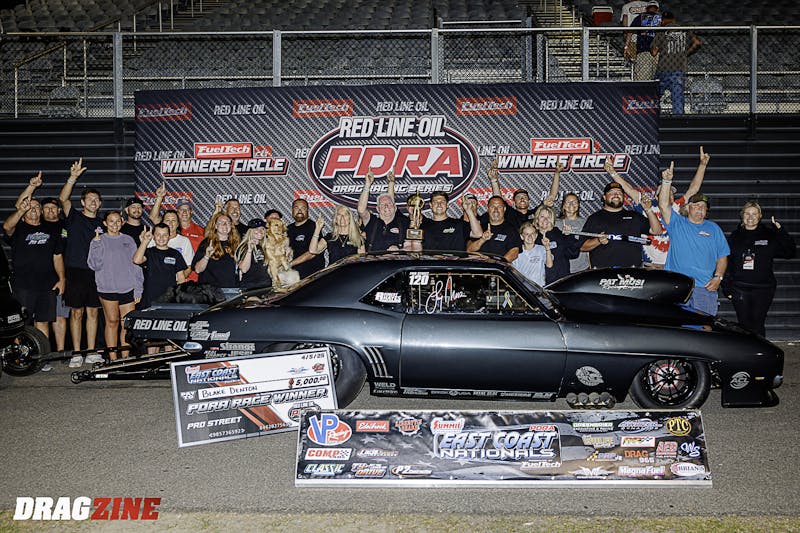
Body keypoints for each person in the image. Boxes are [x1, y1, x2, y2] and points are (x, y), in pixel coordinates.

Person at [605, 146, 710, 268]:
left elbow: (693, 189)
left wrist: (702, 165)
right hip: (649, 265)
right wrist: (613, 172)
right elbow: (629, 189)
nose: (670, 196)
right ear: (656, 196)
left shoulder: (677, 207)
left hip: (673, 265)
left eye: (672, 193)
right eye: (666, 193)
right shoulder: (647, 205)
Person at [3, 193, 65, 371]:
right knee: (21, 324)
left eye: (37, 207)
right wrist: (20, 210)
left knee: (43, 322)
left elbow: (57, 256)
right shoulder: (19, 229)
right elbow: (7, 226)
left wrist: (62, 279)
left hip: (47, 285)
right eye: (30, 207)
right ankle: (19, 356)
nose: (34, 209)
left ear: (41, 211)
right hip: (23, 286)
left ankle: (43, 358)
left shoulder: (50, 230)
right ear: (24, 212)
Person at [658, 162, 729, 316]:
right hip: (677, 286)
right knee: (675, 326)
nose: (700, 208)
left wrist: (718, 277)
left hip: (704, 288)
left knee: (704, 327)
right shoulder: (676, 223)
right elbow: (663, 205)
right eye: (696, 205)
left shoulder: (714, 228)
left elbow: (722, 257)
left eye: (703, 206)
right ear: (687, 207)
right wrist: (666, 182)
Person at [58, 159, 105, 367]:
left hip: (96, 273)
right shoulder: (74, 217)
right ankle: (77, 353)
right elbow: (63, 198)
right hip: (76, 272)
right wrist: (73, 177)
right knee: (77, 313)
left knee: (93, 312)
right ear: (83, 202)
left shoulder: (104, 223)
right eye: (89, 199)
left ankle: (91, 351)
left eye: (96, 199)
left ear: (100, 204)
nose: (93, 202)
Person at [725, 201, 796, 336]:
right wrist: (726, 288)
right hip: (739, 288)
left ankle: (759, 350)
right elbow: (728, 263)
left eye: (754, 214)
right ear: (742, 215)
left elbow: (789, 252)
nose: (750, 217)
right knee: (744, 326)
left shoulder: (769, 235)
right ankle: (745, 350)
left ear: (760, 216)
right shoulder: (735, 237)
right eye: (747, 213)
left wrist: (780, 231)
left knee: (758, 325)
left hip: (763, 289)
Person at [87, 212, 143, 360]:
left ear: (122, 222)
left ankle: (125, 358)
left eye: (118, 221)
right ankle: (113, 359)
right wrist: (96, 245)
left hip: (128, 288)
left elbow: (136, 264)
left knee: (127, 324)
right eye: (111, 221)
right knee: (112, 322)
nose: (115, 224)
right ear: (105, 223)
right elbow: (94, 265)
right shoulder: (98, 240)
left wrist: (138, 288)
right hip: (107, 289)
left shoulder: (128, 240)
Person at [581, 180, 661, 268]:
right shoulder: (595, 218)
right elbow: (582, 246)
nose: (616, 194)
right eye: (611, 192)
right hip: (603, 273)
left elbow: (657, 231)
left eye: (619, 192)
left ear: (623, 197)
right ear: (604, 197)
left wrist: (648, 209)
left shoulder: (634, 216)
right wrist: (598, 240)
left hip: (632, 273)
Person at [651, 11, 701, 115]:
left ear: (663, 20)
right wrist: (686, 53)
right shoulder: (683, 30)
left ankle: (652, 115)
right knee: (677, 96)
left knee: (655, 95)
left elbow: (654, 52)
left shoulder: (662, 30)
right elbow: (697, 43)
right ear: (674, 19)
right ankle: (678, 119)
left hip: (664, 67)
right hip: (679, 67)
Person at [487, 159, 560, 230]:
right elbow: (498, 198)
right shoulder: (510, 213)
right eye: (518, 197)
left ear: (529, 201)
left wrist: (557, 173)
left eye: (524, 197)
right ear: (514, 202)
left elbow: (552, 197)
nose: (522, 199)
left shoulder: (536, 212)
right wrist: (494, 180)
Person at [134, 224, 187, 309]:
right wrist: (145, 241)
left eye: (165, 235)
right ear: (153, 236)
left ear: (169, 236)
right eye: (158, 234)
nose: (161, 238)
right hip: (150, 298)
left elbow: (181, 278)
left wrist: (181, 298)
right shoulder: (149, 252)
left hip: (169, 299)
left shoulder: (175, 254)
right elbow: (136, 260)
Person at [357, 169, 409, 252]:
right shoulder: (372, 222)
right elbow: (361, 210)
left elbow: (412, 248)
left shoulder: (404, 223)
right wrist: (367, 185)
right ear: (377, 209)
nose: (386, 206)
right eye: (382, 204)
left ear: (395, 208)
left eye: (389, 204)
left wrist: (400, 251)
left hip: (397, 260)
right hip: (373, 260)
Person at [192, 213, 240, 289]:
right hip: (210, 291)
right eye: (221, 222)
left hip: (231, 290)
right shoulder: (207, 243)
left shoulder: (236, 243)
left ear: (231, 225)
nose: (225, 225)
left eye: (228, 222)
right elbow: (197, 270)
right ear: (216, 226)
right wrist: (206, 256)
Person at [288, 198, 326, 279]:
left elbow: (312, 253)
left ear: (307, 211)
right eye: (296, 208)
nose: (299, 211)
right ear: (292, 210)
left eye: (303, 208)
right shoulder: (288, 229)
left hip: (312, 276)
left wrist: (289, 264)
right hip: (292, 275)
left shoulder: (314, 227)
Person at [153, 209, 194, 279]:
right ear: (162, 222)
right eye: (167, 220)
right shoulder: (153, 240)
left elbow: (189, 266)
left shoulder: (184, 241)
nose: (170, 223)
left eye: (173, 220)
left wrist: (178, 280)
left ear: (178, 224)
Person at [554, 193, 589, 273]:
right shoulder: (556, 223)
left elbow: (588, 247)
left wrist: (590, 266)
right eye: (568, 202)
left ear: (578, 205)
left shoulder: (585, 222)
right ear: (563, 206)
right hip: (562, 269)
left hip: (582, 268)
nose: (571, 204)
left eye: (574, 202)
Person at [628, 1, 662, 81]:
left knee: (644, 78)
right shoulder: (661, 18)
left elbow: (630, 32)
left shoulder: (641, 17)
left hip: (646, 50)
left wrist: (626, 46)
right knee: (655, 78)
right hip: (655, 51)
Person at [235, 218, 272, 290]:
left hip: (266, 286)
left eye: (262, 229)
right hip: (250, 288)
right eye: (256, 229)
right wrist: (249, 250)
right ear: (250, 231)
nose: (260, 231)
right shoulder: (244, 247)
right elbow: (244, 269)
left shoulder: (266, 246)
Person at [512, 222, 552, 287]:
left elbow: (549, 265)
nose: (530, 236)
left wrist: (547, 247)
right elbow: (514, 272)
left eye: (532, 233)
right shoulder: (516, 251)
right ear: (522, 236)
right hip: (523, 287)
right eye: (527, 234)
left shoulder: (541, 249)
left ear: (536, 235)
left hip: (539, 287)